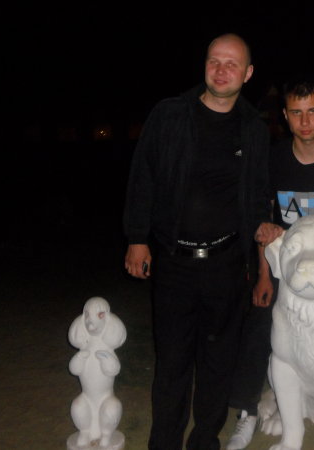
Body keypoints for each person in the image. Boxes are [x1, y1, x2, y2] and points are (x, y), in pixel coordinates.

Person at [122, 33, 281, 450]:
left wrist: (262, 230)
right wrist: (137, 238)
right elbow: (143, 177)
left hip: (227, 263)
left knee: (218, 361)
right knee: (172, 360)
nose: (222, 70)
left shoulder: (253, 128)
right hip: (174, 261)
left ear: (247, 73)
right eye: (215, 61)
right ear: (205, 65)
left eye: (232, 64)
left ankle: (205, 439)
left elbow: (258, 193)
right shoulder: (170, 115)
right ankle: (164, 442)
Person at [226, 78, 314, 449]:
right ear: (286, 117)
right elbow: (264, 221)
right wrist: (263, 274)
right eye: (296, 113)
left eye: (312, 112)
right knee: (259, 325)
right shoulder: (273, 158)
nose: (305, 121)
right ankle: (247, 411)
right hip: (284, 266)